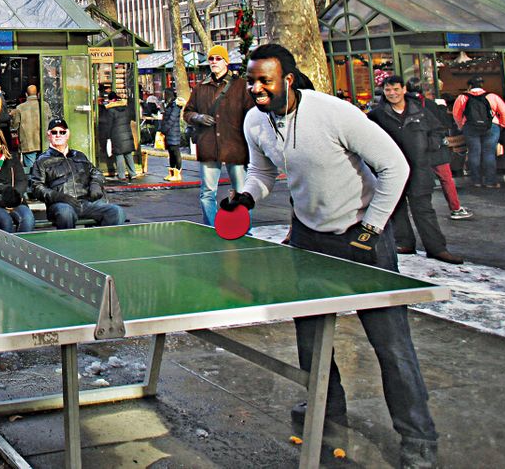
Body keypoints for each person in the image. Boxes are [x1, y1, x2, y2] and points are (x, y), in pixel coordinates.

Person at [223, 44, 439, 469]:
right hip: (308, 237)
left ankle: (418, 436)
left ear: (287, 78)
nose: (256, 88)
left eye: (264, 80)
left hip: (362, 238)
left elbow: (396, 166)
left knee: (390, 344)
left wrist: (372, 226)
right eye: (251, 80)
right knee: (312, 338)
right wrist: (247, 197)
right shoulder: (255, 120)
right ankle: (328, 411)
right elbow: (263, 171)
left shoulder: (334, 113)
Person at [368, 77, 462, 264]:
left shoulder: (419, 110)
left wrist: (430, 144)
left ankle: (437, 248)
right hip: (392, 169)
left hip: (419, 167)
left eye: (395, 89)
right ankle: (404, 242)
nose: (392, 93)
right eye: (388, 90)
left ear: (403, 89)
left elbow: (437, 130)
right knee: (397, 208)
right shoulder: (377, 115)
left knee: (424, 210)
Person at [182, 44, 249, 225]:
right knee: (207, 192)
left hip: (234, 145)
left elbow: (250, 115)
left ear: (226, 62)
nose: (214, 62)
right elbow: (187, 112)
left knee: (241, 192)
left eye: (218, 58)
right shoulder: (200, 88)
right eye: (211, 59)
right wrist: (197, 117)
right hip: (209, 145)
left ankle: (243, 227)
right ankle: (211, 228)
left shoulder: (240, 86)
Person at [28, 117, 126, 229]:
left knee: (116, 212)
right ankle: (69, 245)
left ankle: (105, 243)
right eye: (54, 132)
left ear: (67, 135)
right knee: (65, 213)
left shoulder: (79, 155)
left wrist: (95, 185)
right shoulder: (42, 160)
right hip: (61, 204)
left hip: (86, 202)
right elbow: (36, 186)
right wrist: (58, 196)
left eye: (62, 132)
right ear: (49, 135)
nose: (58, 135)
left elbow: (96, 172)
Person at [452, 76, 505, 188]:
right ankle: (490, 181)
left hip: (470, 127)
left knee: (474, 153)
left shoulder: (462, 97)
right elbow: (504, 112)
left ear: (469, 86)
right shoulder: (492, 96)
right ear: (482, 85)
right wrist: (502, 125)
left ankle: (476, 181)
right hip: (491, 127)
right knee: (489, 153)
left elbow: (456, 114)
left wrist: (461, 126)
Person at [100, 92, 138, 181]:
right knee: (128, 154)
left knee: (119, 155)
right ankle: (133, 173)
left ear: (111, 100)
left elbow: (108, 125)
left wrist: (107, 136)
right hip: (127, 133)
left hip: (116, 135)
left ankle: (121, 175)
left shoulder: (110, 111)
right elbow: (130, 119)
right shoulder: (125, 109)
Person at [10, 84, 43, 168]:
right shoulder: (44, 106)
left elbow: (15, 126)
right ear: (38, 94)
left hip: (28, 145)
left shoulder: (20, 108)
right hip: (43, 143)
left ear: (26, 94)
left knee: (31, 171)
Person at [160, 92, 186, 182]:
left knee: (175, 153)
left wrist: (164, 129)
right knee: (171, 153)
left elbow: (171, 119)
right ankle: (171, 172)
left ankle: (177, 173)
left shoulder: (176, 106)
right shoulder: (170, 104)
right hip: (169, 133)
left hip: (173, 132)